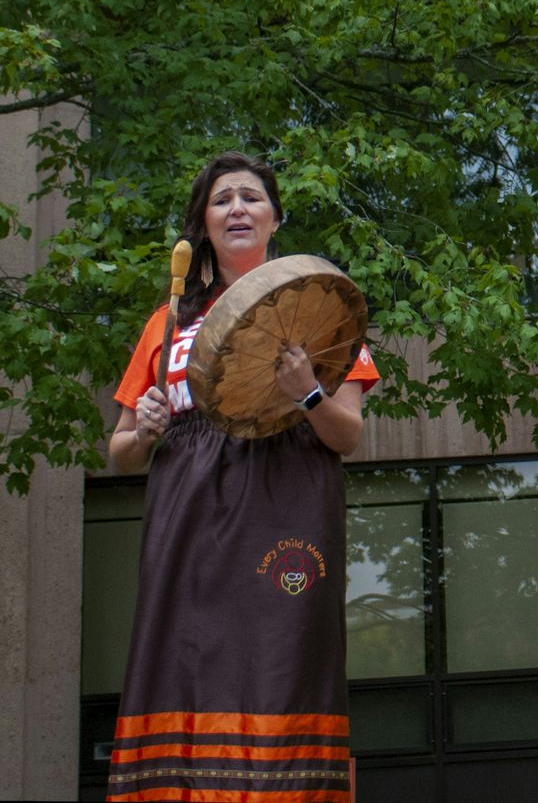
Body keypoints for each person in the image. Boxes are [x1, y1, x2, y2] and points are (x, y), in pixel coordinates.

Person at [106, 151, 379, 802]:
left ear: (275, 217)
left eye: (251, 197)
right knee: (184, 665)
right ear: (203, 221)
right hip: (186, 516)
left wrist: (308, 391)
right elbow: (119, 451)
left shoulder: (318, 309)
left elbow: (348, 436)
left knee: (280, 663)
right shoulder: (166, 323)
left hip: (285, 508)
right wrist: (142, 430)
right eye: (222, 198)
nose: (237, 208)